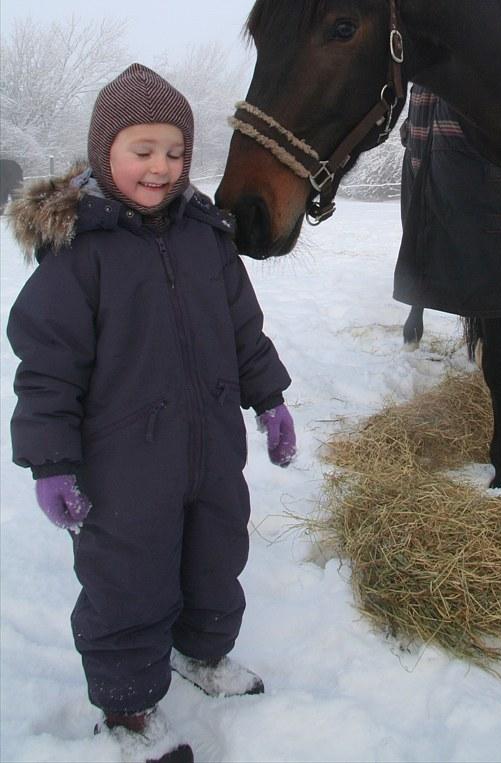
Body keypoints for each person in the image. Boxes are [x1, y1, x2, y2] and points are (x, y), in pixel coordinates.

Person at [6, 63, 296, 762]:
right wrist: (51, 463)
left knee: (216, 557)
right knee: (126, 582)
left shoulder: (207, 236)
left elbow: (242, 330)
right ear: (107, 151)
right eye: (143, 151)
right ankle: (129, 706)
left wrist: (272, 398)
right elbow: (47, 368)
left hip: (211, 448)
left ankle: (200, 651)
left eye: (175, 152)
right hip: (123, 465)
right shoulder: (79, 254)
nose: (161, 168)